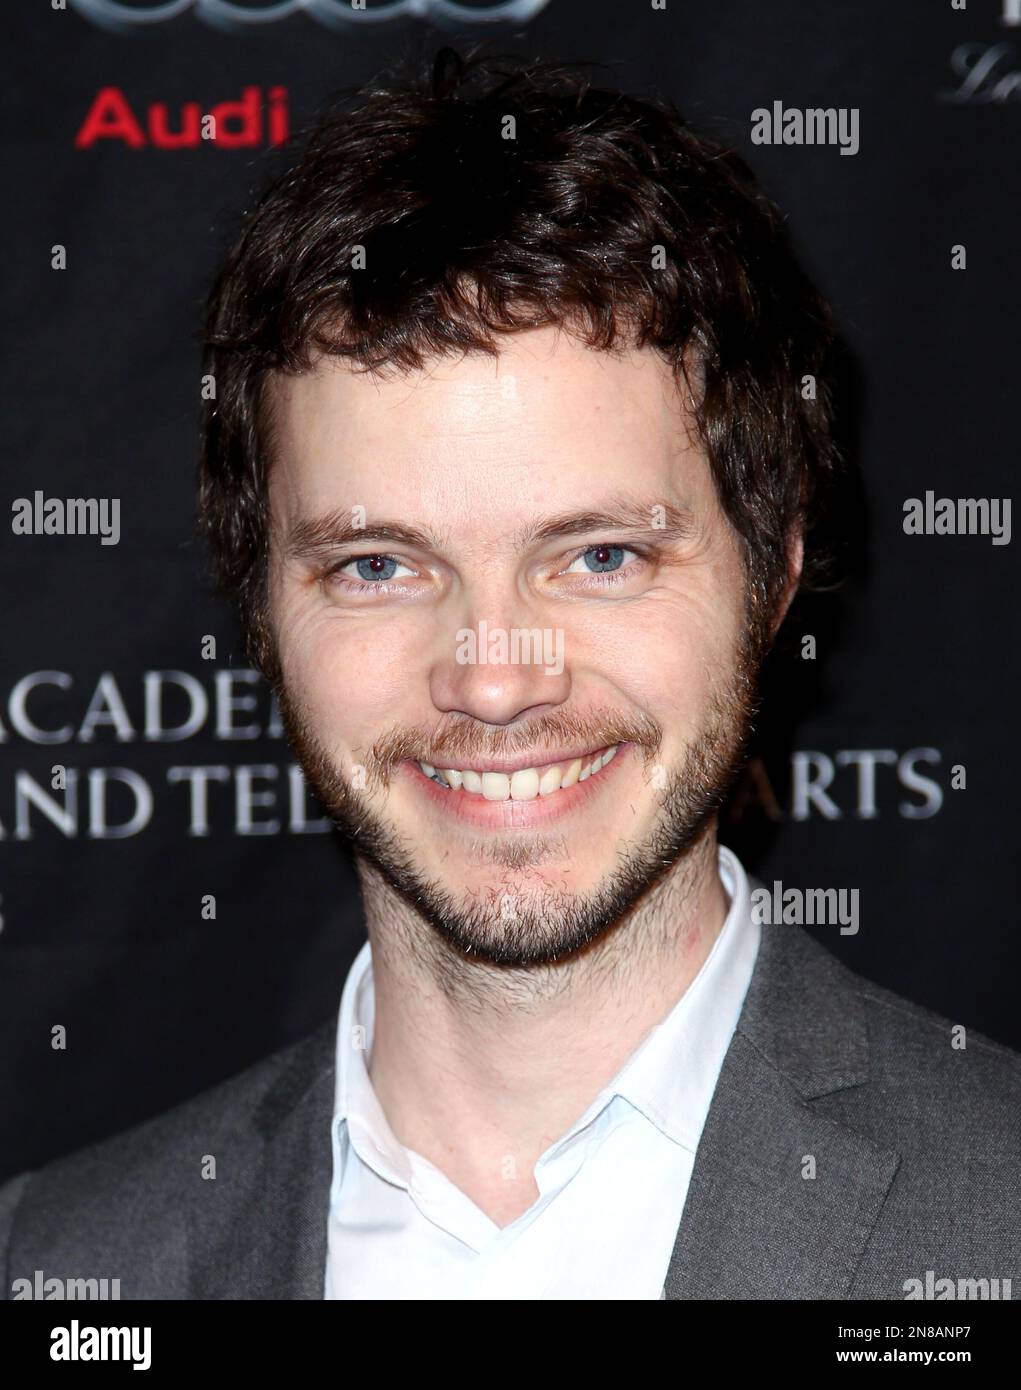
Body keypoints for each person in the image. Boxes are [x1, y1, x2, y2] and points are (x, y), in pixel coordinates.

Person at [3, 49, 1018, 1302]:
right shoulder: (63, 1268)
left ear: (774, 570)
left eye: (598, 555)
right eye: (378, 565)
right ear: (261, 600)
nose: (493, 682)